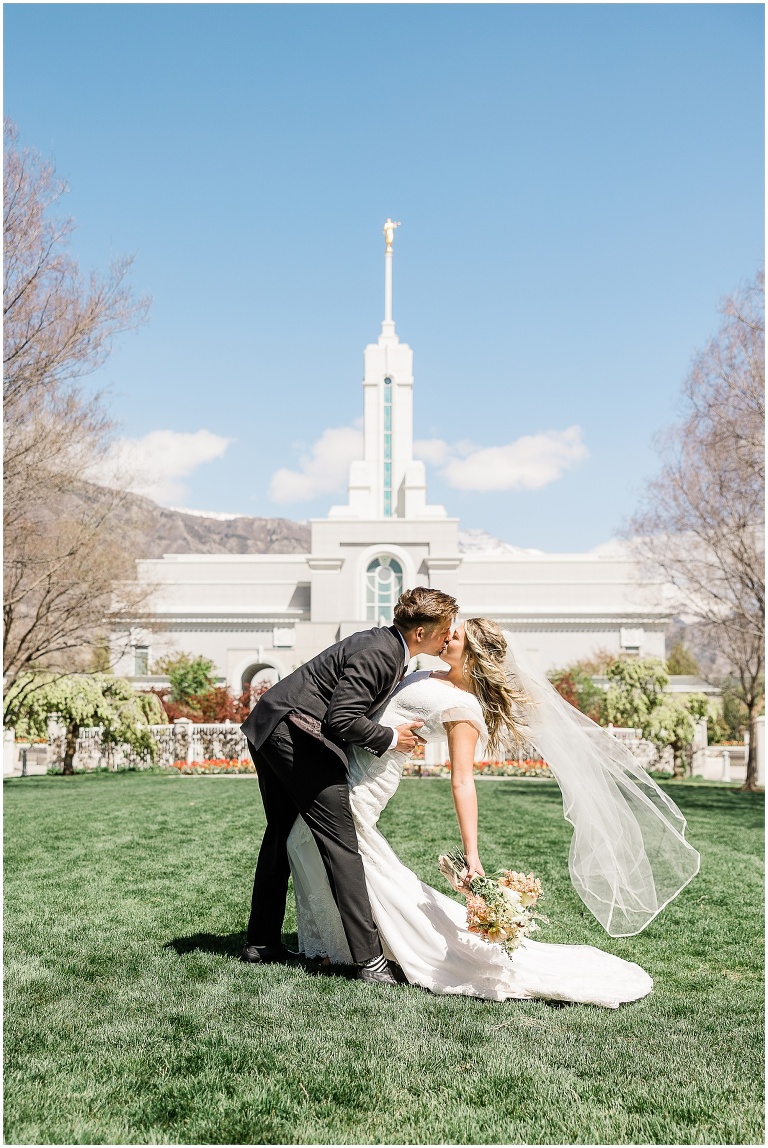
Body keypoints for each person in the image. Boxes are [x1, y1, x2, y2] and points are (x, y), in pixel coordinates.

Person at [287, 617, 701, 1007]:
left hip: (367, 784)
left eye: (457, 636)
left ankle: (365, 952)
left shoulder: (463, 709)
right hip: (349, 768)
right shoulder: (421, 674)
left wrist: (473, 855)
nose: (447, 636)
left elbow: (463, 782)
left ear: (473, 655)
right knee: (309, 846)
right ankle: (343, 948)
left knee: (330, 852)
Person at [239, 586, 458, 984]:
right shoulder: (381, 653)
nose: (448, 636)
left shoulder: (385, 645)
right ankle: (370, 962)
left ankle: (261, 942)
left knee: (280, 834)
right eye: (445, 630)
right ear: (422, 632)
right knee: (343, 844)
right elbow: (341, 719)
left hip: (273, 727)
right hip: (294, 736)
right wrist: (392, 738)